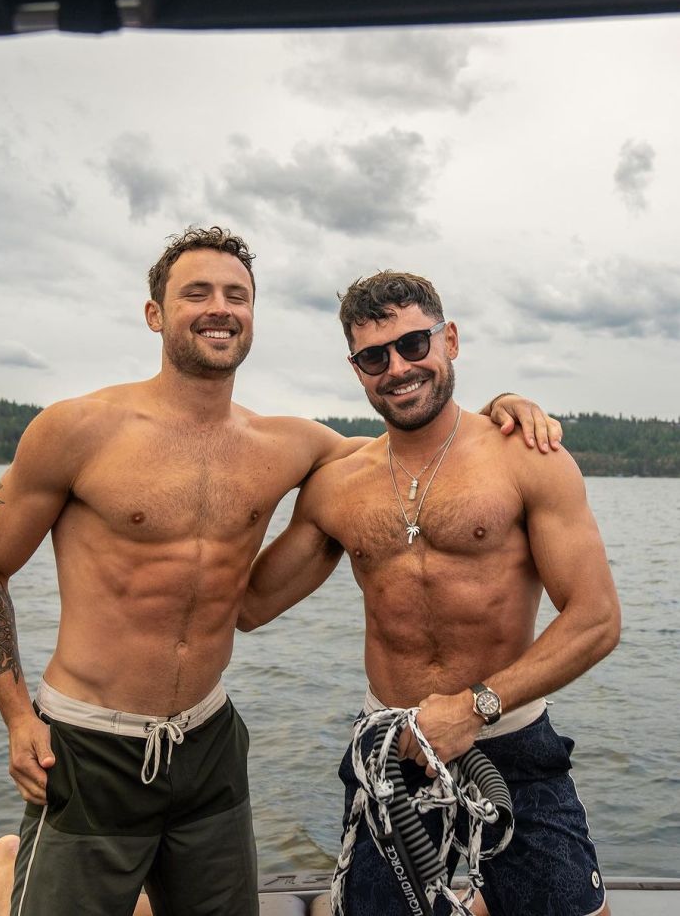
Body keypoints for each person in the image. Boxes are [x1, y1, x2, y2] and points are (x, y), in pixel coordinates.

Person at [0, 230, 562, 916]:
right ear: (155, 313)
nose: (220, 307)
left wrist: (501, 409)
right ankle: (10, 868)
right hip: (91, 738)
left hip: (207, 738)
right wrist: (14, 715)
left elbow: (418, 433)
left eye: (235, 294)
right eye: (197, 293)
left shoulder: (289, 444)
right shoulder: (76, 429)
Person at [239, 271, 621, 916]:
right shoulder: (337, 485)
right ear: (357, 370)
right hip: (393, 745)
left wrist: (477, 707)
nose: (398, 367)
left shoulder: (526, 458)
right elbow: (247, 607)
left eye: (415, 344)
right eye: (374, 356)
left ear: (449, 339)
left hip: (511, 737)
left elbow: (596, 620)